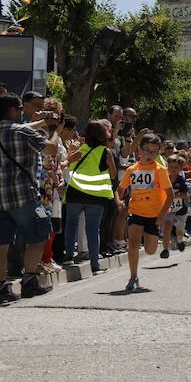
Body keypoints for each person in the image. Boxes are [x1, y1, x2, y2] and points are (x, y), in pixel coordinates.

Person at [0, 94, 60, 302]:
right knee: (41, 233)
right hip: (24, 195)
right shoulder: (22, 131)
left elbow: (23, 128)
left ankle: (2, 287)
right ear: (14, 110)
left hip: (1, 198)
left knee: (2, 242)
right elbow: (51, 149)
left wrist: (44, 121)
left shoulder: (17, 130)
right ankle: (29, 282)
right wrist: (54, 131)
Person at [117, 133, 173, 291]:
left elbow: (170, 195)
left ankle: (155, 238)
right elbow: (119, 190)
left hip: (154, 215)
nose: (150, 155)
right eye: (147, 150)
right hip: (136, 211)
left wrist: (162, 215)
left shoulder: (160, 170)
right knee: (133, 242)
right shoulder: (132, 170)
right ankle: (133, 276)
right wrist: (119, 201)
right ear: (140, 150)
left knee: (150, 250)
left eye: (155, 152)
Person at [63, 120, 118, 275]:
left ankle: (68, 256)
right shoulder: (105, 152)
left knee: (71, 224)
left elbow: (68, 166)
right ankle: (95, 264)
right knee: (93, 229)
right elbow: (113, 174)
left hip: (76, 193)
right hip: (96, 196)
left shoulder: (79, 150)